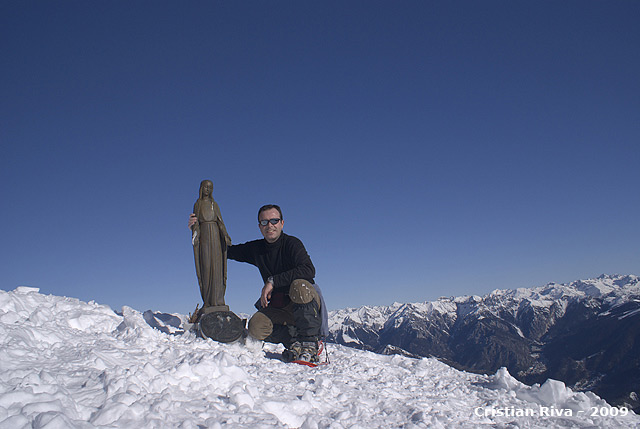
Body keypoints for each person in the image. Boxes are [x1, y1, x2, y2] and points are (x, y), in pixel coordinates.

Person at [189, 204, 325, 363]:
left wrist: (272, 281)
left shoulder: (292, 244)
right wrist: (201, 230)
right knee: (256, 327)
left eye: (274, 220)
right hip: (281, 307)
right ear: (259, 226)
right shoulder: (257, 248)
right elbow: (225, 251)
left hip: (305, 302)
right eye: (264, 222)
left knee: (299, 285)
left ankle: (310, 344)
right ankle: (294, 341)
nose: (270, 226)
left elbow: (308, 270)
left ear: (282, 223)